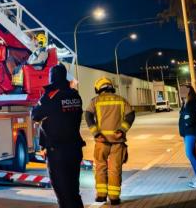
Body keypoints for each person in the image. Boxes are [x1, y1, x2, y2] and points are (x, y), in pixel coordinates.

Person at [31, 63, 85, 208]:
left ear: (52, 78)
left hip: (58, 151)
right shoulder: (75, 95)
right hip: (74, 149)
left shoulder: (50, 96)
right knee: (74, 191)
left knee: (63, 193)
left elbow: (35, 115)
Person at [85, 77, 134, 205]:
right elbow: (130, 115)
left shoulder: (95, 101)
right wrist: (122, 130)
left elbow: (88, 115)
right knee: (115, 169)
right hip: (118, 142)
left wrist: (96, 133)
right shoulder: (121, 100)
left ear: (98, 88)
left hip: (101, 141)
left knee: (100, 167)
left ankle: (101, 196)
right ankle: (114, 198)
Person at [179, 85, 196, 188]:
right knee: (192, 154)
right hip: (186, 132)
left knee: (190, 154)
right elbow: (184, 116)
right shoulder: (185, 103)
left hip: (191, 132)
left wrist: (186, 121)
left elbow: (190, 118)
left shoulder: (192, 102)